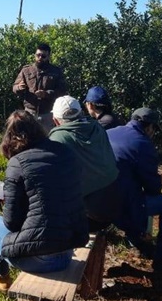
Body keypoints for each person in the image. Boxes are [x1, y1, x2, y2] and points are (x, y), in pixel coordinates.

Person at [0, 110, 86, 301]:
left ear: (10, 138)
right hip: (68, 250)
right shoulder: (65, 152)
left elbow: (10, 223)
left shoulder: (18, 164)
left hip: (41, 259)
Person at [107, 108, 162, 271]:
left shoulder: (110, 132)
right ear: (149, 127)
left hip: (97, 199)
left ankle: (138, 241)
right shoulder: (143, 144)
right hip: (120, 203)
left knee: (133, 196)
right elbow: (152, 184)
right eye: (154, 129)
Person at [49, 95, 121, 228]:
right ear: (81, 112)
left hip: (91, 217)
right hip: (117, 202)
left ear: (56, 121)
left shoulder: (58, 139)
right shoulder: (97, 127)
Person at [12, 44, 67, 132]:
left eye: (43, 56)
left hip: (48, 114)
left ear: (49, 56)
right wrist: (19, 87)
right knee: (29, 141)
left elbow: (62, 92)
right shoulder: (26, 70)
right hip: (29, 113)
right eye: (38, 55)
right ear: (35, 55)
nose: (40, 58)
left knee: (48, 141)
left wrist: (46, 94)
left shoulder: (56, 72)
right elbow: (14, 87)